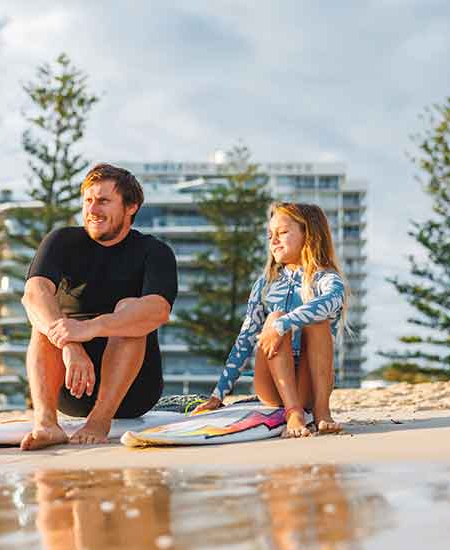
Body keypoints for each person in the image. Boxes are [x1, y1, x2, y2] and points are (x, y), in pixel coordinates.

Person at [20, 163, 178, 450]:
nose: (92, 210)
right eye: (88, 201)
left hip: (133, 391)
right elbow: (33, 293)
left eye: (103, 201)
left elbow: (158, 309)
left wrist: (90, 328)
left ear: (131, 206)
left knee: (131, 311)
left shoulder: (154, 251)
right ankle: (46, 422)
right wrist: (70, 343)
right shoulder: (62, 241)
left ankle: (99, 420)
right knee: (43, 317)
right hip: (68, 383)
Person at [191, 202, 348, 437]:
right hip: (273, 385)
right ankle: (293, 412)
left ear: (310, 234)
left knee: (317, 319)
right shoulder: (265, 283)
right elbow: (245, 340)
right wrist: (218, 395)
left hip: (311, 385)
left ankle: (322, 412)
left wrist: (282, 325)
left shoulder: (326, 279)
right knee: (274, 315)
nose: (273, 241)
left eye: (282, 233)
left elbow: (334, 299)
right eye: (270, 235)